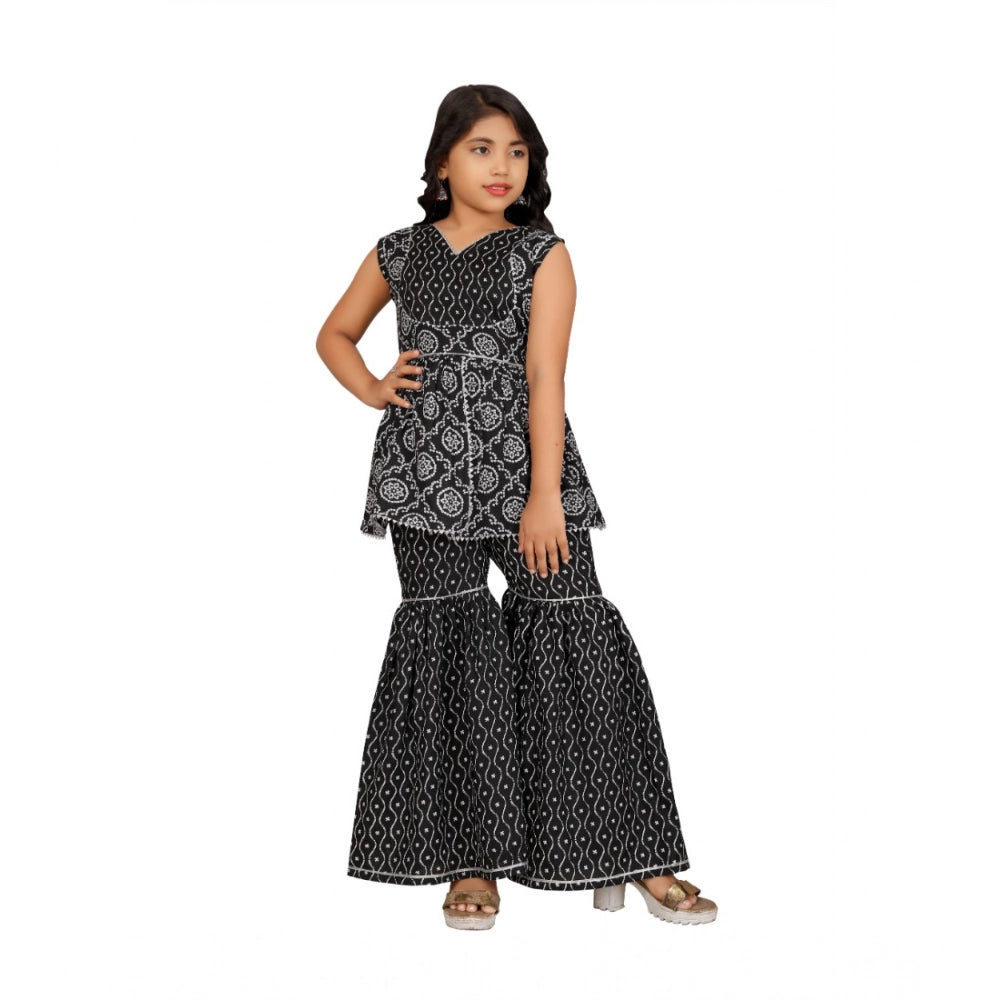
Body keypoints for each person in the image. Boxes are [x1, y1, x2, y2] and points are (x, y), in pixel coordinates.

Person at [315, 83, 718, 931]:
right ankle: (472, 860)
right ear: (441, 163)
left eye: (518, 151)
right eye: (481, 148)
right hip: (422, 480)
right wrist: (372, 387)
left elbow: (545, 377)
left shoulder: (541, 255)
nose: (502, 166)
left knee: (576, 633)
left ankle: (634, 851)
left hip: (526, 476)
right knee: (455, 657)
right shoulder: (397, 253)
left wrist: (544, 498)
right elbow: (333, 334)